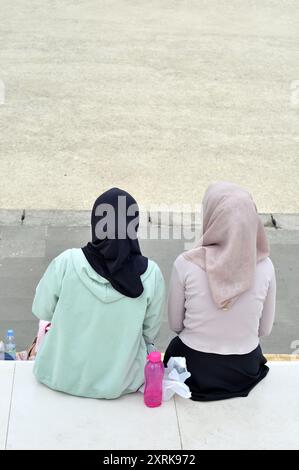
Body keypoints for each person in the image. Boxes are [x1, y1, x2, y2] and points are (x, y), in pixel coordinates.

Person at [32, 188, 165, 399]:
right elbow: (149, 333)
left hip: (57, 376)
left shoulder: (67, 262)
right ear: (133, 225)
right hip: (122, 383)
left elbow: (42, 310)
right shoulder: (151, 274)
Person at [164, 182, 276, 401]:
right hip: (244, 369)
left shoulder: (186, 264)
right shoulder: (266, 267)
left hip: (193, 369)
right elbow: (264, 330)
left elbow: (176, 325)